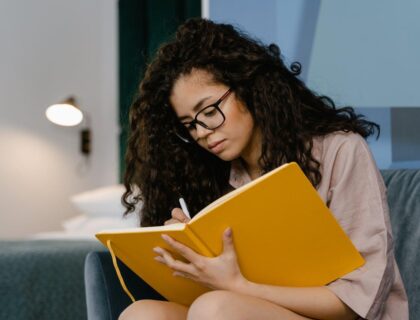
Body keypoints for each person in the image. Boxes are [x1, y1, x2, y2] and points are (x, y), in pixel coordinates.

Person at [119, 18, 408, 320]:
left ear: (248, 88)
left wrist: (236, 285)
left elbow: (357, 301)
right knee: (142, 313)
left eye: (209, 111)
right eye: (189, 124)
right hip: (247, 309)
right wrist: (189, 255)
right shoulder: (210, 176)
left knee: (215, 309)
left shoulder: (341, 150)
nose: (202, 131)